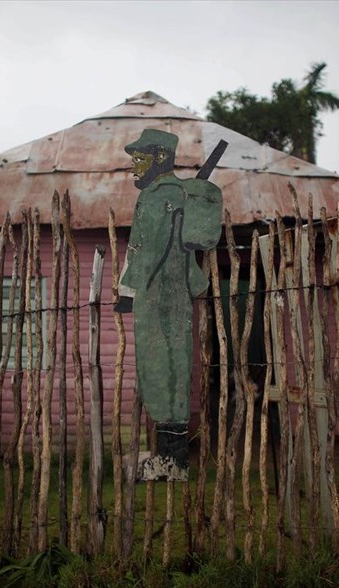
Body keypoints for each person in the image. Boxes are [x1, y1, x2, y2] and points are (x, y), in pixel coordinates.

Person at [117, 129, 222, 481]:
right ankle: (171, 459)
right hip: (175, 294)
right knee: (173, 371)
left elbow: (143, 248)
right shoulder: (181, 192)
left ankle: (172, 462)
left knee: (159, 371)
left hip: (156, 294)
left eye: (139, 157)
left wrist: (129, 291)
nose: (133, 165)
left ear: (160, 156)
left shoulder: (155, 196)